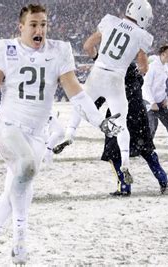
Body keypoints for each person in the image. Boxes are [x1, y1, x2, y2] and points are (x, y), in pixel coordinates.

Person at [0, 4, 121, 264]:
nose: (39, 30)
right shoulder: (5, 50)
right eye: (33, 24)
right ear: (21, 27)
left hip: (36, 134)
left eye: (43, 24)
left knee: (16, 185)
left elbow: (76, 92)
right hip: (8, 127)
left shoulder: (58, 51)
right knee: (27, 168)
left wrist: (101, 121)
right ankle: (20, 240)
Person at [58, 0, 154, 181]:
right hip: (116, 79)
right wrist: (134, 67)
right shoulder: (141, 35)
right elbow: (143, 66)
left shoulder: (110, 21)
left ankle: (70, 133)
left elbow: (87, 46)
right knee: (121, 123)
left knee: (82, 103)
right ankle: (125, 161)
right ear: (142, 16)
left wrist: (98, 58)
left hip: (98, 72)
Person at [101, 62, 168, 196]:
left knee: (114, 154)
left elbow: (100, 97)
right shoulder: (137, 79)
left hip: (119, 117)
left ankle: (124, 186)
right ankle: (162, 179)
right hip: (139, 117)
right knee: (147, 151)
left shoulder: (114, 81)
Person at [142, 44, 168, 155]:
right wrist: (152, 102)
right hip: (149, 102)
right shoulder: (152, 67)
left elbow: (162, 85)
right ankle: (146, 149)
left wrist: (165, 99)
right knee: (152, 126)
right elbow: (146, 86)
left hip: (160, 102)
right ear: (163, 54)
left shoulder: (166, 67)